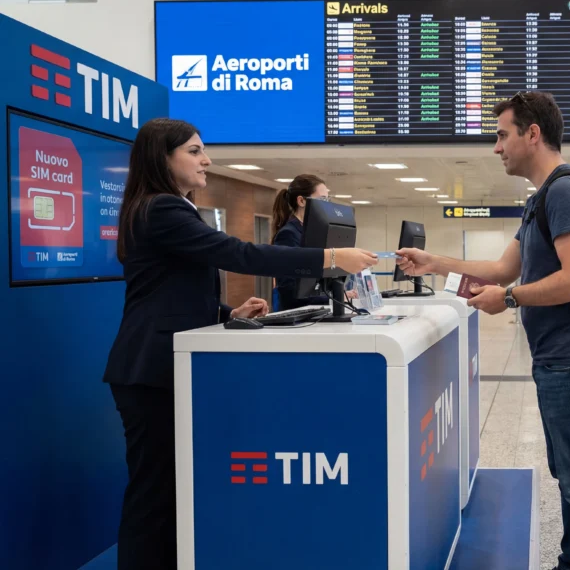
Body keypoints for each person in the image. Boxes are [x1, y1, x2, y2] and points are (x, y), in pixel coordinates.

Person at [102, 118, 378, 570]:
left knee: (169, 489)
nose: (206, 159)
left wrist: (227, 314)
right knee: (153, 495)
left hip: (160, 365)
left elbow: (168, 292)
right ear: (162, 156)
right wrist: (329, 257)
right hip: (149, 369)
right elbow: (238, 253)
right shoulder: (161, 209)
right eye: (194, 151)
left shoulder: (167, 207)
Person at [396, 91, 570, 570]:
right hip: (559, 358)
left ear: (532, 134)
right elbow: (501, 268)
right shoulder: (542, 198)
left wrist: (513, 298)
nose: (496, 147)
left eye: (502, 135)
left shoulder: (565, 192)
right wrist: (433, 261)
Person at [271, 174, 354, 310]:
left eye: (328, 199)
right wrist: (331, 299)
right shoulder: (288, 234)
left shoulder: (314, 232)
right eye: (322, 199)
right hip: (297, 316)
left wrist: (338, 294)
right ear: (301, 201)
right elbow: (290, 290)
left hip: (315, 313)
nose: (327, 204)